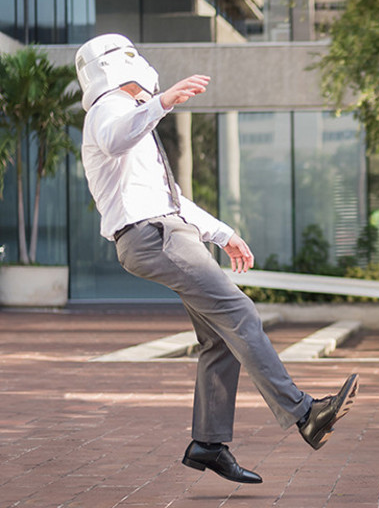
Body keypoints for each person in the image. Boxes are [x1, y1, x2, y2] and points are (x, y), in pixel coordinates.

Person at [75, 34, 359, 485]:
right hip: (156, 237)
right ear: (122, 67)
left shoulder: (134, 120)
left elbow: (171, 199)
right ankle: (305, 413)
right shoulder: (110, 108)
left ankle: (208, 444)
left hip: (161, 231)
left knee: (220, 338)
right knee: (240, 312)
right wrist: (163, 102)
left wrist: (224, 234)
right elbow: (112, 140)